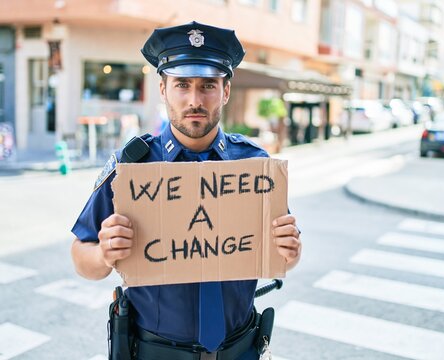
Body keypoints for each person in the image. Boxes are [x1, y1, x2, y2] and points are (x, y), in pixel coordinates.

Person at [71, 21, 302, 360]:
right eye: (182, 85)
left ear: (225, 91)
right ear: (163, 89)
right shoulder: (130, 167)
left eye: (208, 85)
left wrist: (290, 251)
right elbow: (82, 257)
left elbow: (280, 252)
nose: (195, 99)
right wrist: (105, 254)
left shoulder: (255, 165)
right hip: (155, 352)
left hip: (241, 349)